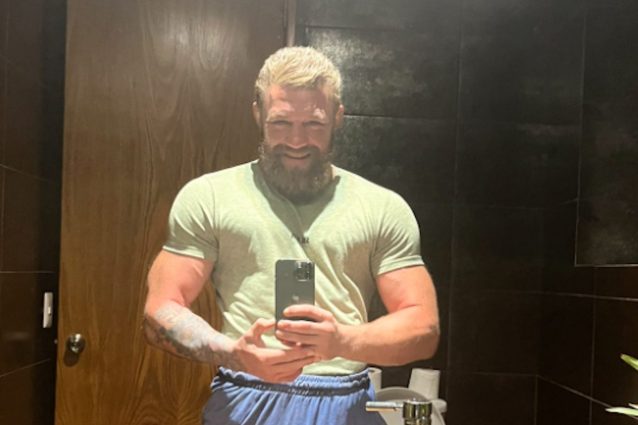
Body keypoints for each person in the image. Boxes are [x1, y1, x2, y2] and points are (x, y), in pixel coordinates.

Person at [143, 46, 440, 425]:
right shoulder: (209, 197)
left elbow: (423, 327)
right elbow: (160, 310)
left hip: (346, 401)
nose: (297, 141)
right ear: (258, 114)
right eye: (281, 123)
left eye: (314, 124)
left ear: (338, 117)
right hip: (245, 395)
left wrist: (342, 341)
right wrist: (232, 352)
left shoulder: (382, 207)